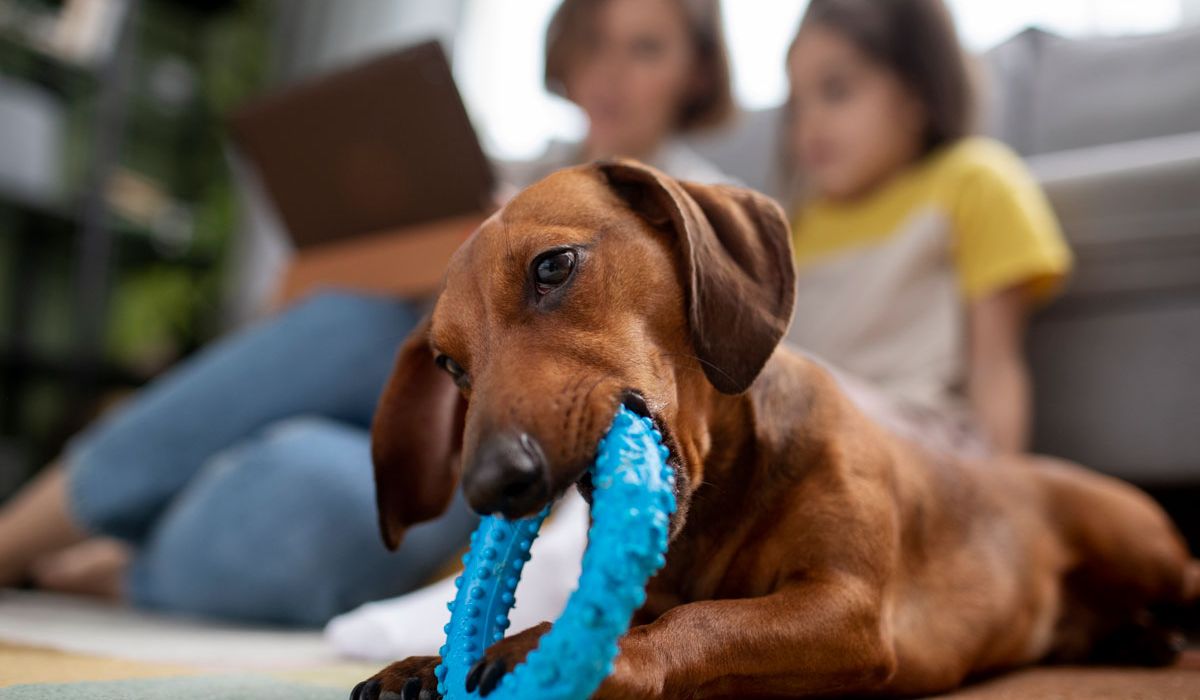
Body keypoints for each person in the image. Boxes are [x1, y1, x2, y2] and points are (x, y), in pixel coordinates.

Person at [0, 0, 734, 628]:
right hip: (394, 378)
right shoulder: (510, 178)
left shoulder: (703, 214)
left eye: (646, 48)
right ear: (565, 53)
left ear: (696, 70)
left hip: (496, 438)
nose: (611, 70)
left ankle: (130, 571)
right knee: (349, 320)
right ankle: (19, 538)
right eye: (595, 42)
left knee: (313, 480)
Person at [783, 0, 1072, 457]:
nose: (810, 122)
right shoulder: (798, 225)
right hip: (816, 441)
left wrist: (998, 502)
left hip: (930, 449)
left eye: (836, 91)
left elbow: (996, 368)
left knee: (791, 390)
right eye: (797, 103)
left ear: (916, 93)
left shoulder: (974, 183)